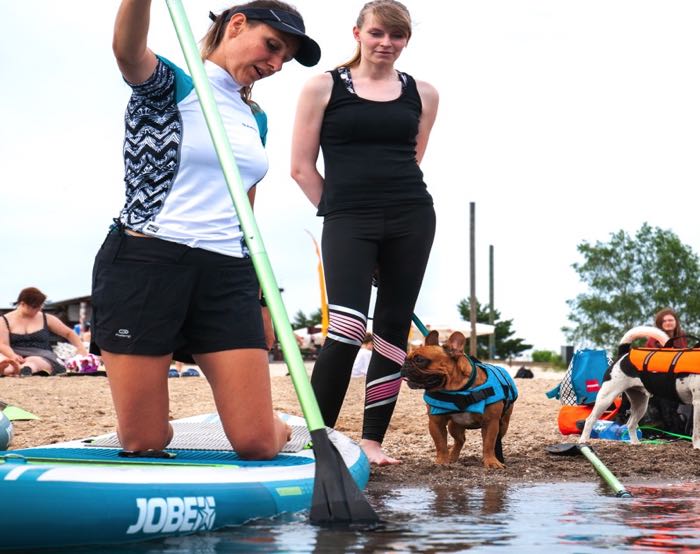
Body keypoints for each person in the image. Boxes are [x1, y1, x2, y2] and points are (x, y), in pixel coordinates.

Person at [91, 0, 320, 458]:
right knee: (143, 441)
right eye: (271, 46)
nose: (275, 64)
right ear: (236, 25)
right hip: (146, 262)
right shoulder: (172, 86)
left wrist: (260, 297)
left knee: (258, 443)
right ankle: (156, 422)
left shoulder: (254, 118)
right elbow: (126, 50)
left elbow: (245, 208)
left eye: (284, 59)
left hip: (225, 273)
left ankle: (269, 421)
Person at [291, 0, 439, 465]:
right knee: (347, 327)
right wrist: (343, 215)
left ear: (406, 41)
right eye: (377, 33)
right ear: (357, 33)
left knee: (392, 330)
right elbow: (300, 168)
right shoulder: (322, 86)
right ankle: (322, 438)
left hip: (411, 217)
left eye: (397, 37)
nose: (386, 43)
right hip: (347, 219)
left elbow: (412, 158)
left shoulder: (424, 93)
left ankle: (373, 441)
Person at [0, 287, 88, 377]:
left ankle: (24, 369)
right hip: (13, 353)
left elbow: (68, 333)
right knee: (5, 361)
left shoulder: (46, 318)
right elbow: (3, 344)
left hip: (40, 354)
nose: (39, 309)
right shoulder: (4, 320)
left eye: (40, 306)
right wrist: (13, 355)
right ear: (22, 304)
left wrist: (81, 349)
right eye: (35, 307)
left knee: (33, 362)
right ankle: (10, 369)